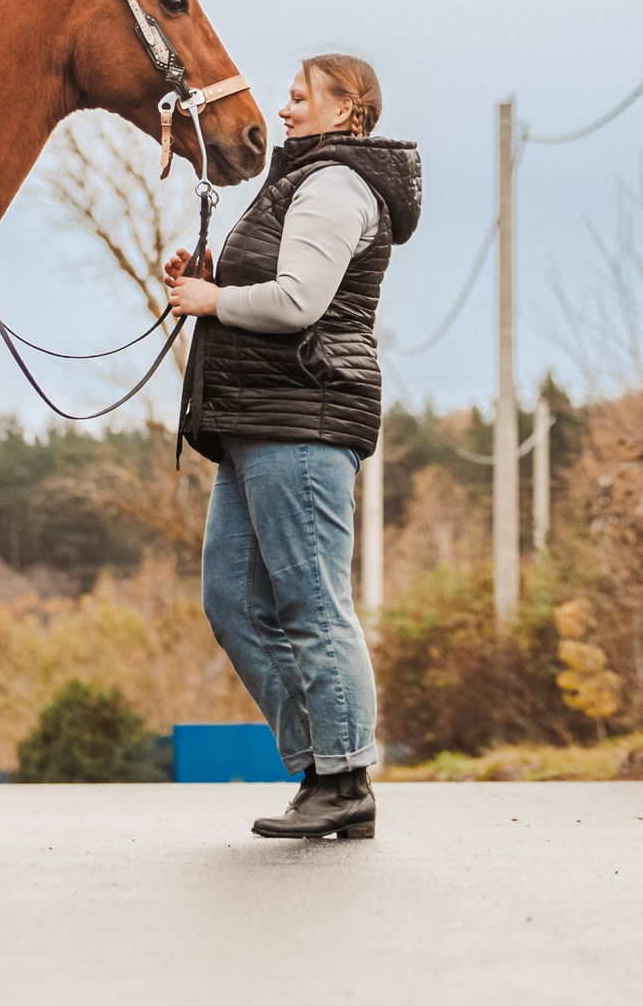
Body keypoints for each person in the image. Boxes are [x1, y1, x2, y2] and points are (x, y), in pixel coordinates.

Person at [165, 52, 420, 840]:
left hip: (301, 418)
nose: (284, 107)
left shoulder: (336, 185)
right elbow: (270, 279)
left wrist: (214, 298)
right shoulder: (301, 182)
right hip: (254, 419)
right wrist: (209, 277)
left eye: (301, 96)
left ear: (349, 109)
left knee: (311, 600)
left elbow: (300, 300)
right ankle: (322, 767)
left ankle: (343, 775)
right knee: (234, 601)